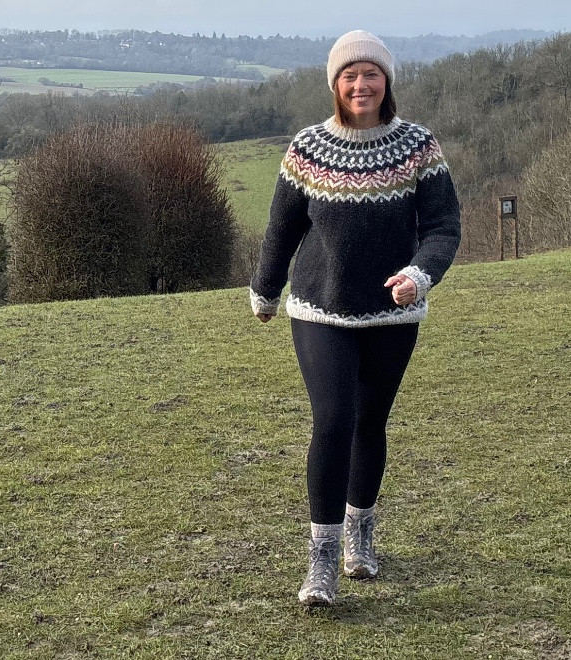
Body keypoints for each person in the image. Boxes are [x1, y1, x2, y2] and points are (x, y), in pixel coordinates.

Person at [250, 30, 461, 606]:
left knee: (370, 422)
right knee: (333, 421)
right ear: (335, 84)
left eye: (371, 74)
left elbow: (444, 226)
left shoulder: (418, 146)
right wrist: (265, 289)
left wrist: (419, 274)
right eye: (350, 76)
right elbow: (282, 227)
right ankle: (321, 559)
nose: (360, 84)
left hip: (393, 313)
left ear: (386, 82)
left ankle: (359, 534)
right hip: (320, 308)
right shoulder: (307, 148)